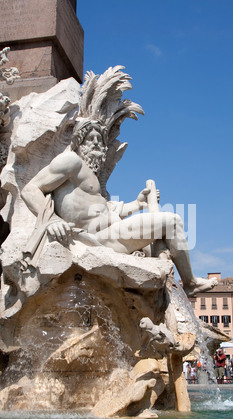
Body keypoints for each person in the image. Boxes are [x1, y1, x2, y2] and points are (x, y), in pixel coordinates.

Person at [20, 120, 218, 298]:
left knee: (159, 241)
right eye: (91, 138)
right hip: (95, 241)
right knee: (172, 221)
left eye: (100, 139)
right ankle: (190, 283)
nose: (97, 143)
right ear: (79, 143)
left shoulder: (91, 176)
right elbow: (30, 190)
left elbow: (104, 209)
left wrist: (138, 203)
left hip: (110, 234)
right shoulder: (71, 161)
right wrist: (52, 220)